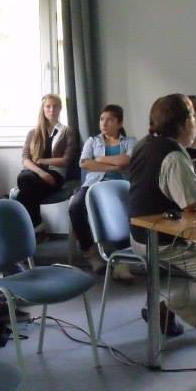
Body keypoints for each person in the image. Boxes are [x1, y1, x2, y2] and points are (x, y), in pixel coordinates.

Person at [128, 94, 196, 338]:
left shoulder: (145, 144)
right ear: (186, 123)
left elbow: (166, 187)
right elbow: (193, 203)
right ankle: (165, 309)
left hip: (140, 233)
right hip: (160, 240)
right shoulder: (174, 155)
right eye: (194, 119)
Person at [70, 104, 137, 278]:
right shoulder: (92, 141)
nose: (104, 123)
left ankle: (122, 262)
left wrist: (99, 159)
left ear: (119, 123)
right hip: (93, 185)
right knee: (75, 207)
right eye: (102, 119)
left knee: (121, 210)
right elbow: (84, 163)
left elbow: (126, 161)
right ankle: (91, 255)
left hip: (119, 186)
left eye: (110, 120)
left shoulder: (130, 141)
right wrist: (112, 166)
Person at [16, 94, 81, 235]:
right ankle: (38, 227)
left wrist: (42, 161)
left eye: (55, 106)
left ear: (60, 109)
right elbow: (25, 159)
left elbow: (66, 160)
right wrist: (42, 173)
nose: (52, 110)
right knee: (24, 178)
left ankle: (34, 230)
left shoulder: (67, 132)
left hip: (55, 175)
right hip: (34, 174)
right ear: (43, 109)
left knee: (22, 195)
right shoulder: (32, 133)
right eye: (48, 106)